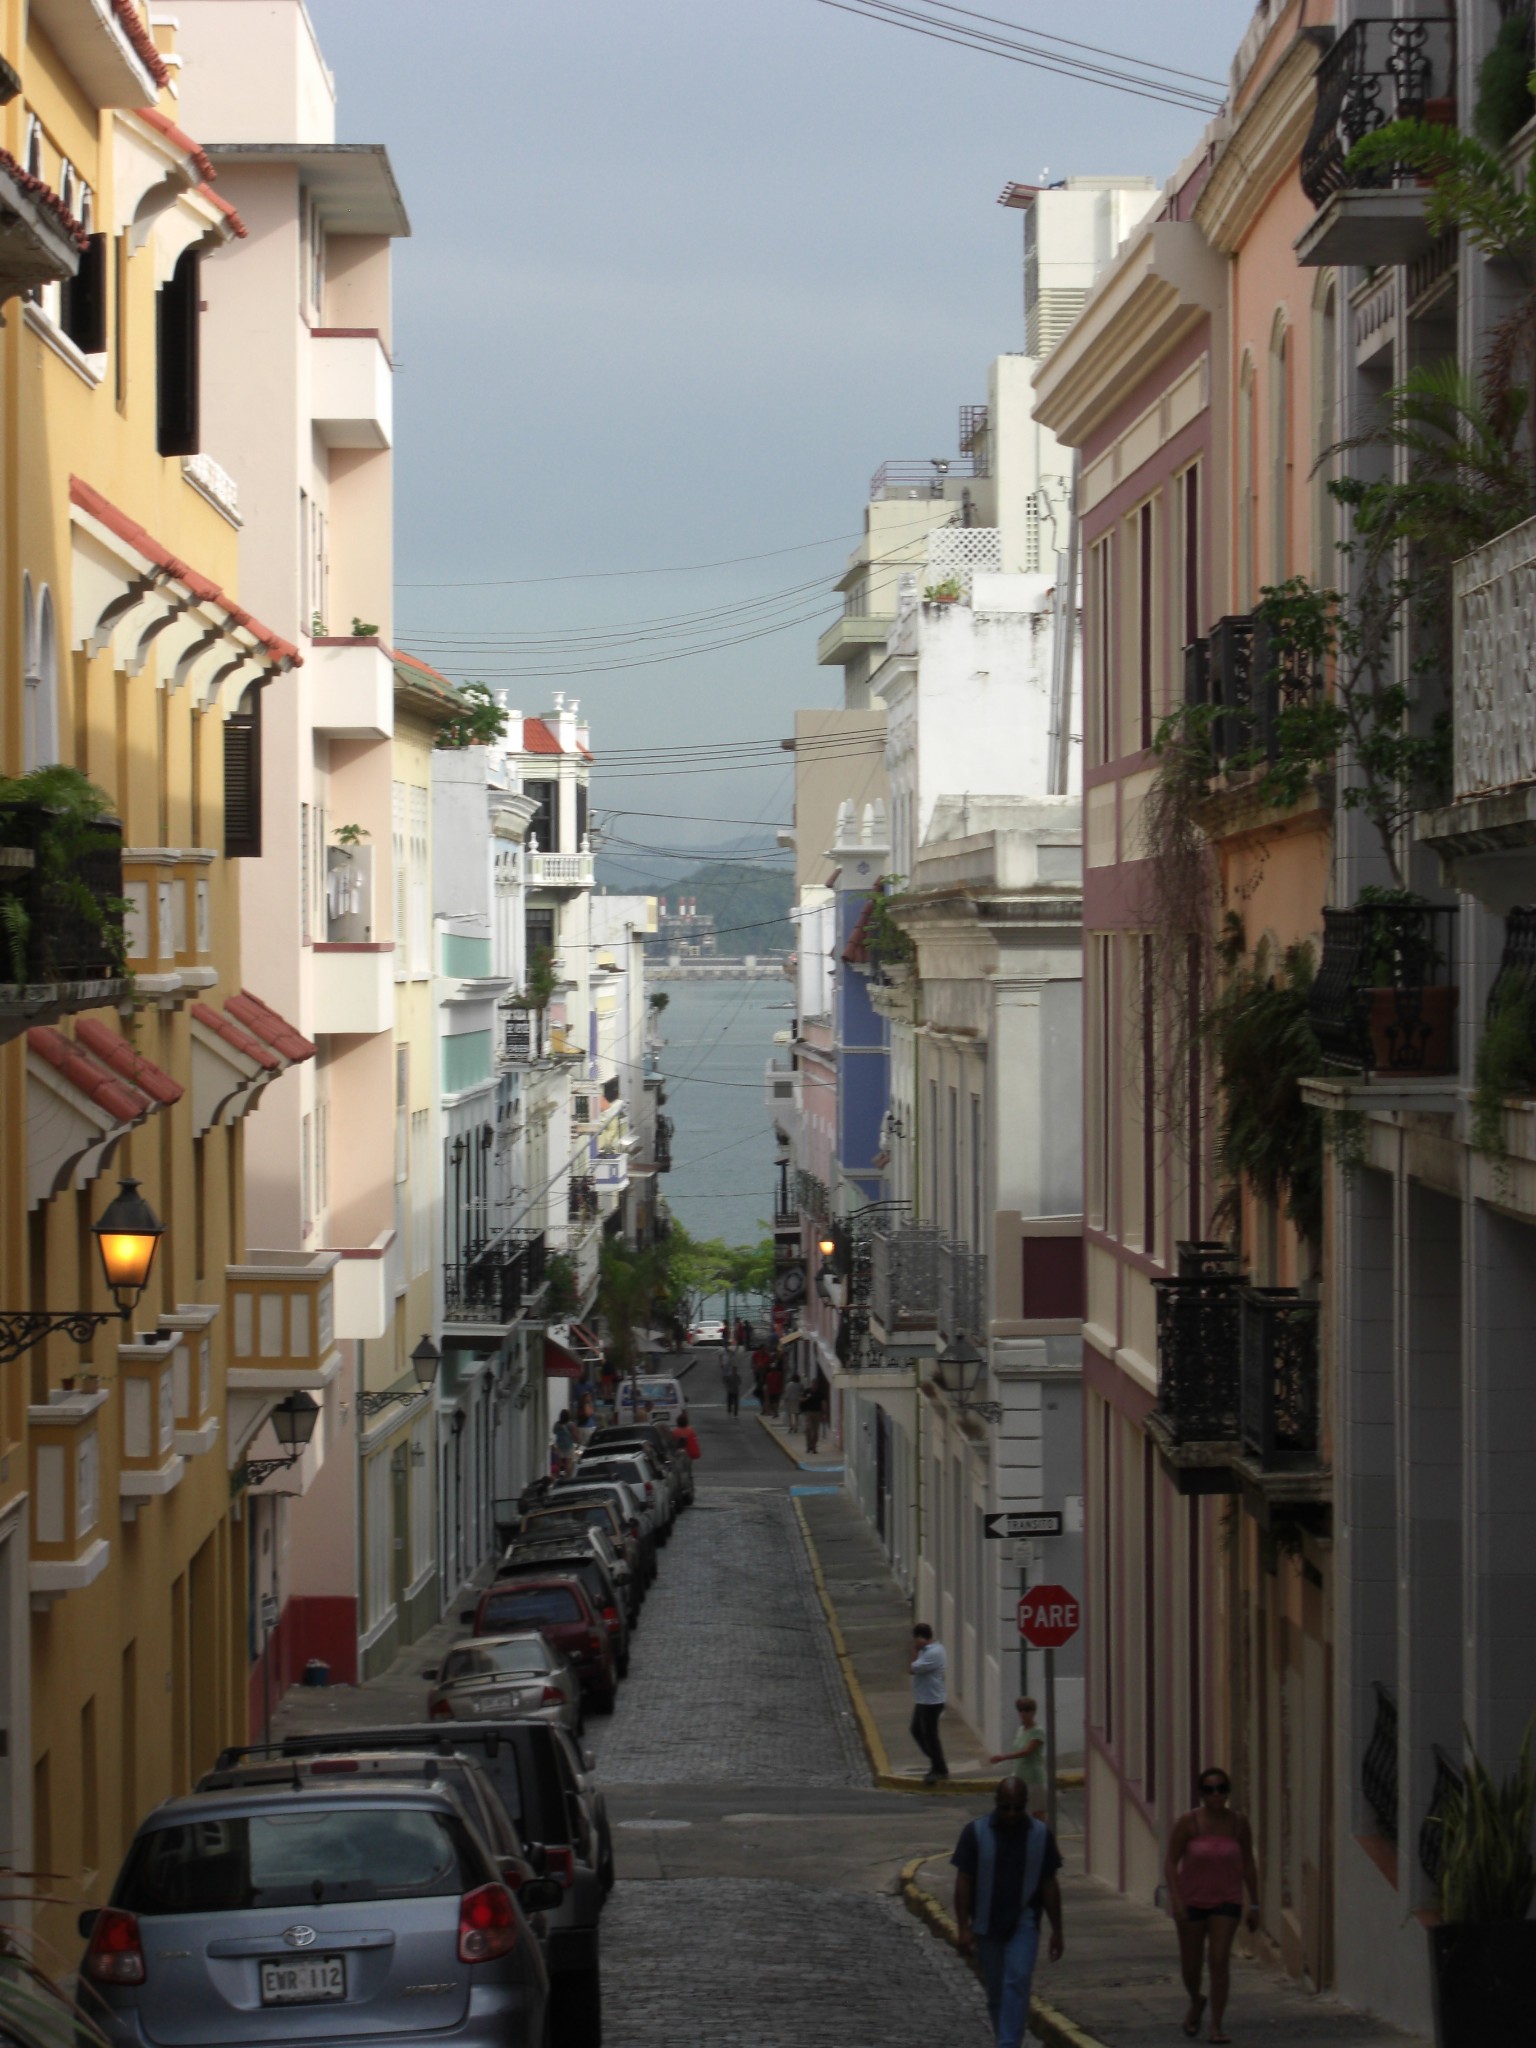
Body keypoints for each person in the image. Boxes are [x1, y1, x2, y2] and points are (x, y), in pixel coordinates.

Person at [952, 1778, 1065, 2048]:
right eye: (1006, 1808)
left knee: (1017, 1980)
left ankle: (1008, 2044)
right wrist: (963, 1927)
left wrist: (1057, 1930)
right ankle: (1005, 2036)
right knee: (996, 1992)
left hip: (1024, 1920)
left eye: (1017, 1808)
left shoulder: (1040, 1835)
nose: (1012, 1814)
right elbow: (963, 1880)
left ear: (1025, 1805)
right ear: (996, 1804)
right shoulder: (975, 1833)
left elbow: (1049, 1883)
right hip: (986, 1923)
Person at [1164, 1768, 1260, 2044]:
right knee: (1191, 1967)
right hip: (1191, 1901)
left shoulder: (1239, 1824)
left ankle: (1216, 2025)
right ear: (1201, 1794)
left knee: (1219, 1961)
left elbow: (1248, 1863)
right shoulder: (1189, 1823)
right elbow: (1171, 1861)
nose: (1215, 1795)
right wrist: (1176, 1899)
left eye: (1220, 1788)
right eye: (1209, 1790)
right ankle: (1196, 2000)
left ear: (1228, 1792)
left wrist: (1254, 1903)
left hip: (1227, 1900)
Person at [991, 1695, 1048, 1818]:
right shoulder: (1021, 1730)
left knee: (1037, 1813)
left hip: (1033, 1779)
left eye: (1027, 1710)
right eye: (1021, 1710)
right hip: (1019, 1776)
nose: (1023, 1713)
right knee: (1020, 1812)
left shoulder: (1038, 1731)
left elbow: (1026, 1752)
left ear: (1033, 1712)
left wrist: (1003, 1757)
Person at [908, 1622, 949, 1781]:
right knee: (916, 1730)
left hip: (932, 1701)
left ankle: (939, 1767)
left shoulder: (933, 1653)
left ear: (920, 1638)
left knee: (931, 1735)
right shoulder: (927, 1651)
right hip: (923, 1699)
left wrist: (914, 1651)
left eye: (916, 1639)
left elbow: (911, 1669)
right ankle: (935, 1761)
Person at [800, 1375, 825, 1455]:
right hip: (808, 1412)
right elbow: (801, 1400)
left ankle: (814, 1447)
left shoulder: (820, 1392)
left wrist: (824, 1413)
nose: (814, 1385)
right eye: (813, 1384)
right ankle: (809, 1445)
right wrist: (807, 1398)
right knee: (808, 1429)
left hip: (817, 1413)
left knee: (815, 1432)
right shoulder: (807, 1391)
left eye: (815, 1384)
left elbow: (823, 1403)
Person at [551, 1409, 576, 1478]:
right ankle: (568, 1477)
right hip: (569, 1446)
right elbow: (574, 1435)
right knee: (568, 1462)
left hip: (559, 1446)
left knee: (559, 1463)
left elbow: (554, 1432)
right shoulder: (571, 1424)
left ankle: (558, 1477)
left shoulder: (557, 1424)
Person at [722, 1351, 742, 1417]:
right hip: (731, 1390)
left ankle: (734, 1412)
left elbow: (739, 1382)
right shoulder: (732, 1376)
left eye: (735, 1370)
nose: (734, 1371)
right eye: (734, 1370)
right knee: (730, 1401)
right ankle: (730, 1409)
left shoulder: (736, 1376)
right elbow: (726, 1381)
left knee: (734, 1402)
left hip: (734, 1390)